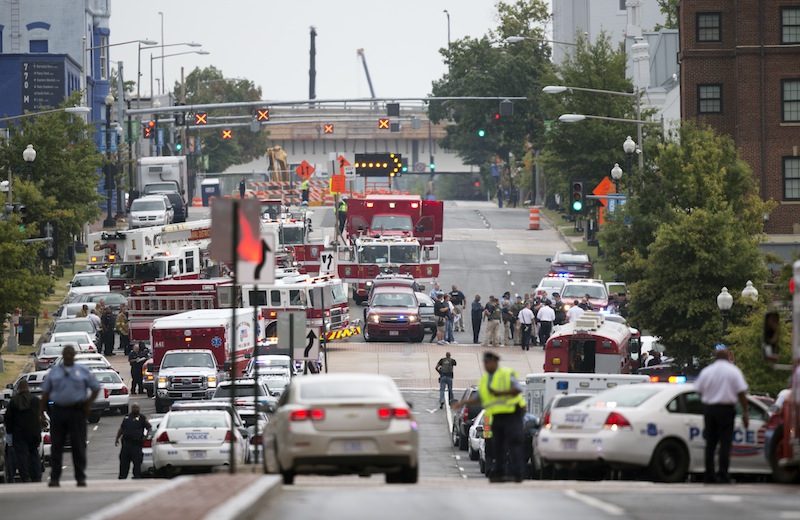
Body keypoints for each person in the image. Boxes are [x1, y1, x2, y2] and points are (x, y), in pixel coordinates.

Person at [452, 352, 526, 482]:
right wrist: (462, 403)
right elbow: (479, 397)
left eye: (488, 363)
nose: (486, 365)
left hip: (512, 414)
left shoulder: (506, 374)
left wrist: (500, 393)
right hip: (496, 416)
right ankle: (500, 474)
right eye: (485, 363)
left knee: (513, 444)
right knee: (498, 446)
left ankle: (517, 473)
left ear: (495, 362)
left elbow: (517, 389)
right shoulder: (485, 380)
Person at [39, 345, 101, 487]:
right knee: (57, 445)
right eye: (65, 353)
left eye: (70, 353)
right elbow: (45, 393)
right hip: (58, 411)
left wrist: (88, 404)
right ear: (63, 354)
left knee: (78, 444)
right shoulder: (54, 372)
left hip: (76, 411)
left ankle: (80, 477)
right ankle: (55, 478)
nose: (67, 355)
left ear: (73, 355)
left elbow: (96, 387)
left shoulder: (82, 371)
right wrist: (41, 413)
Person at [695, 347, 749, 484]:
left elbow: (698, 390)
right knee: (725, 443)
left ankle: (709, 474)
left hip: (710, 410)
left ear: (715, 357)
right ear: (727, 357)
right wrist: (745, 412)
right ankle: (723, 474)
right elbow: (741, 392)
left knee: (710, 443)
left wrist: (709, 396)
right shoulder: (733, 371)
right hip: (726, 410)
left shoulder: (707, 371)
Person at [5, 380, 43, 482]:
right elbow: (40, 416)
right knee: (34, 453)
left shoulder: (13, 402)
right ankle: (36, 475)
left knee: (21, 455)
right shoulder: (35, 400)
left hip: (19, 433)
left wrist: (9, 431)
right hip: (33, 432)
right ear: (27, 388)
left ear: (18, 389)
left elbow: (8, 418)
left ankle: (25, 476)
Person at [115, 403, 151, 480]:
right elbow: (121, 429)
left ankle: (137, 477)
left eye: (136, 407)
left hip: (136, 444)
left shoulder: (142, 418)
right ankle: (122, 478)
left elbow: (149, 428)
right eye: (133, 407)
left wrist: (145, 436)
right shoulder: (127, 417)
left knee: (137, 463)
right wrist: (117, 438)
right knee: (123, 463)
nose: (135, 409)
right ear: (131, 408)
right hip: (126, 444)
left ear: (139, 408)